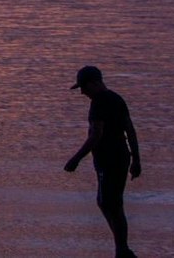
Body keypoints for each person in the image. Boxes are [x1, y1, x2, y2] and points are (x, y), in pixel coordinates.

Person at [63, 65, 141, 258]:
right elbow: (130, 130)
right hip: (121, 157)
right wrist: (136, 159)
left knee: (111, 204)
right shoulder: (117, 99)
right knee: (107, 202)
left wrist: (76, 158)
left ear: (95, 83)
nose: (82, 92)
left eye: (84, 87)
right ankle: (121, 247)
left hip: (109, 160)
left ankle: (122, 249)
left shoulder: (99, 103)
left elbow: (96, 135)